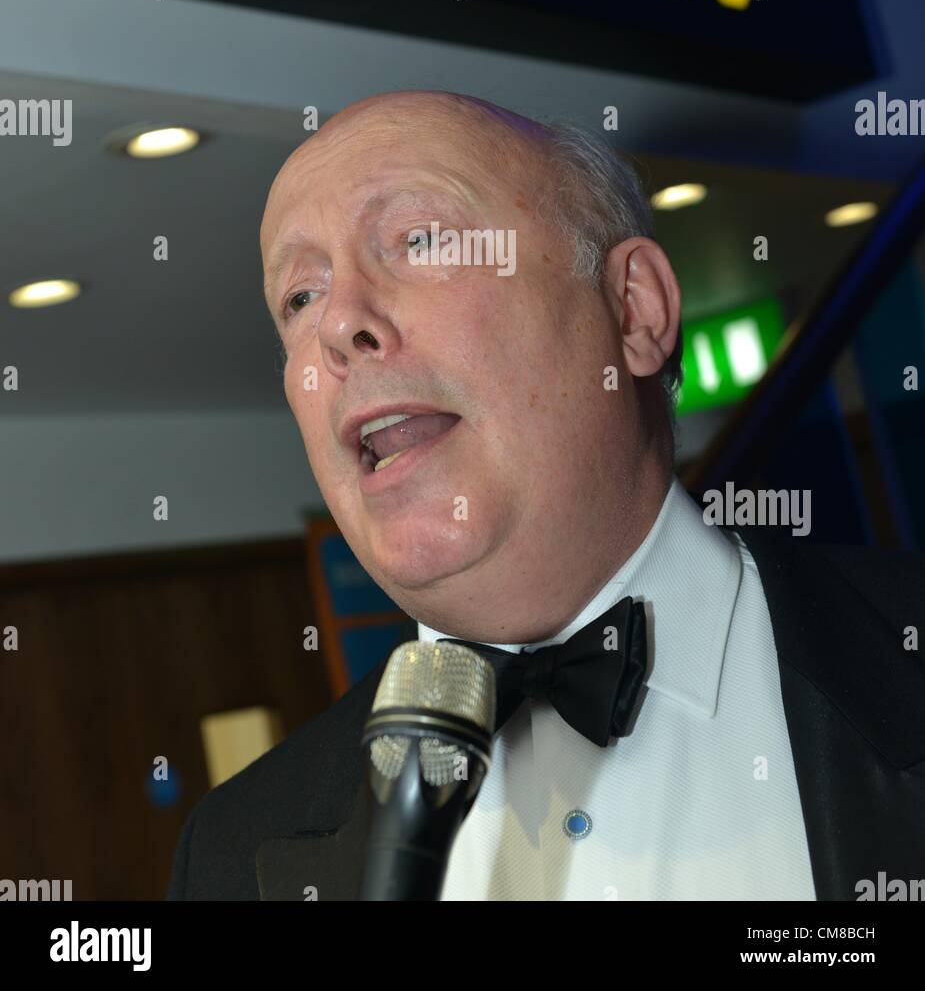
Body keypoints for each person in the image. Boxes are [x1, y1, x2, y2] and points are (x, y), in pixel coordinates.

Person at [167, 89, 925, 901]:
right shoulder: (232, 852)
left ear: (632, 311)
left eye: (420, 240)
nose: (338, 322)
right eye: (299, 295)